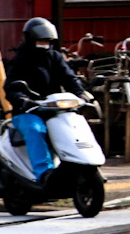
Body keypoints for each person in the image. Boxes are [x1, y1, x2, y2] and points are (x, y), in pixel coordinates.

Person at [5, 18, 88, 179]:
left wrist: (81, 94)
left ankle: (76, 166)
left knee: (73, 127)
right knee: (35, 129)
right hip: (27, 111)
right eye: (40, 40)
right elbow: (10, 86)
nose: (44, 44)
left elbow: (68, 78)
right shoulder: (20, 60)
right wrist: (21, 98)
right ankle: (44, 173)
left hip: (54, 110)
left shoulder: (55, 57)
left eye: (47, 41)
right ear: (30, 40)